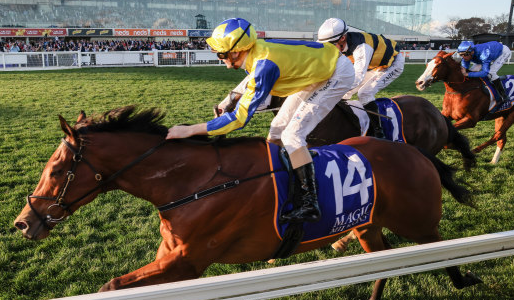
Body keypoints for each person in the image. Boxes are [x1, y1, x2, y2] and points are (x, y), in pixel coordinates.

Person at [166, 18, 355, 223]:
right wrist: (230, 98)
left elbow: (239, 119)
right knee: (276, 129)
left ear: (236, 52)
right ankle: (274, 178)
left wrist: (190, 130)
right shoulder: (255, 53)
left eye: (221, 54)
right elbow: (251, 78)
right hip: (318, 71)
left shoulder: (265, 63)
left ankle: (311, 203)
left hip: (336, 73)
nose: (221, 59)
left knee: (292, 135)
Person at [317, 18, 404, 139]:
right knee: (344, 94)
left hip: (393, 64)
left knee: (364, 93)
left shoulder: (362, 48)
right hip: (374, 65)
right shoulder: (341, 45)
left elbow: (357, 77)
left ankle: (379, 131)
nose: (328, 49)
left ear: (342, 38)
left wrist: (333, 89)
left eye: (330, 45)